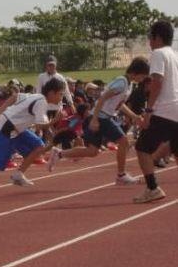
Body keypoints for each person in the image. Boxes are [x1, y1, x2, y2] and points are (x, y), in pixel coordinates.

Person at [48, 57, 150, 184]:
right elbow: (102, 98)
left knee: (92, 151)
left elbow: (118, 104)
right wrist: (94, 119)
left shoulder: (128, 85)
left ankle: (59, 154)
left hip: (103, 117)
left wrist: (134, 116)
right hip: (101, 117)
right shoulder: (122, 82)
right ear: (136, 72)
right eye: (143, 75)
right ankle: (121, 175)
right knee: (124, 142)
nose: (144, 78)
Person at [0, 78, 67, 196]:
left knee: (38, 146)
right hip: (7, 127)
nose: (61, 97)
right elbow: (39, 126)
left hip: (16, 128)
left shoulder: (37, 96)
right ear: (51, 92)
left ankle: (18, 174)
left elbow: (15, 96)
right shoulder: (41, 102)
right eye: (60, 94)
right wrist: (55, 120)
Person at [134, 21, 178, 203]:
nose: (149, 42)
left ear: (157, 37)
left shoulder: (158, 54)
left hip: (165, 110)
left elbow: (157, 82)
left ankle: (152, 188)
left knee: (142, 147)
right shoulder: (175, 55)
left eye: (150, 38)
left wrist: (148, 110)